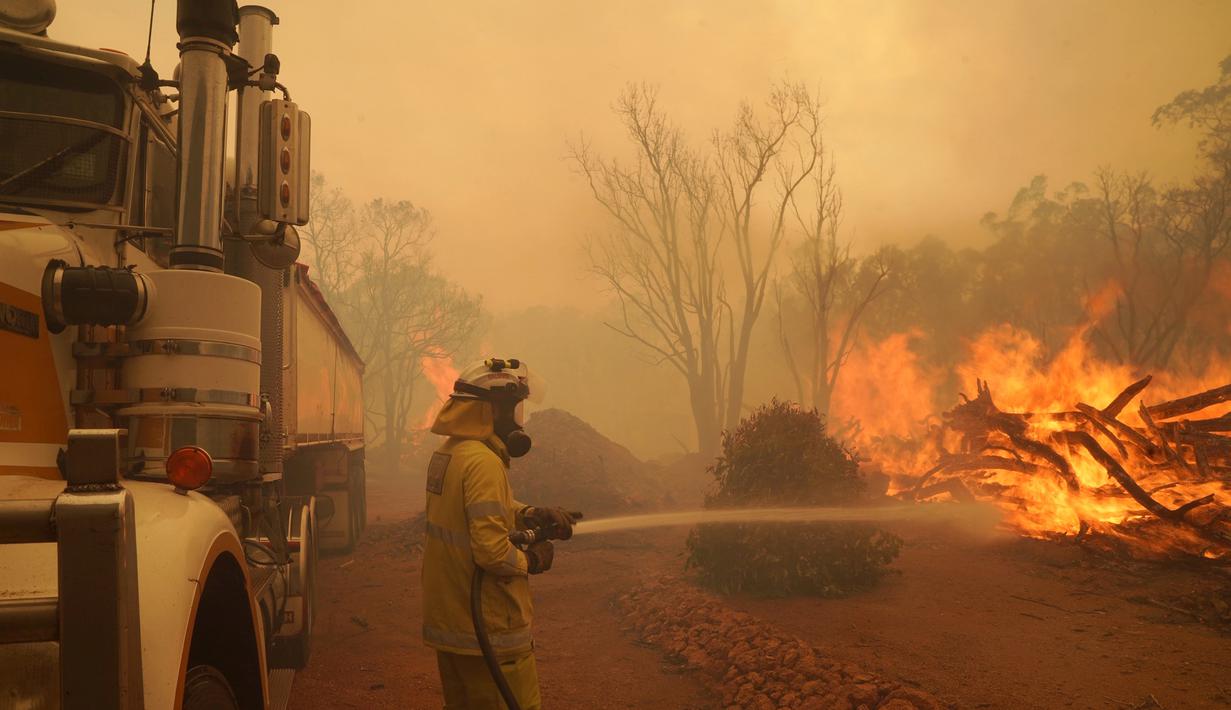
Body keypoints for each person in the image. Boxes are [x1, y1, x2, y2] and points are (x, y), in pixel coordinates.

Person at [421, 357, 575, 709]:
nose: (518, 420)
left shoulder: (451, 454)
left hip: (453, 626)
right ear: (491, 411)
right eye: (513, 409)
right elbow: (490, 552)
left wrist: (531, 514)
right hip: (490, 631)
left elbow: (477, 510)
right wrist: (532, 560)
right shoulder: (485, 463)